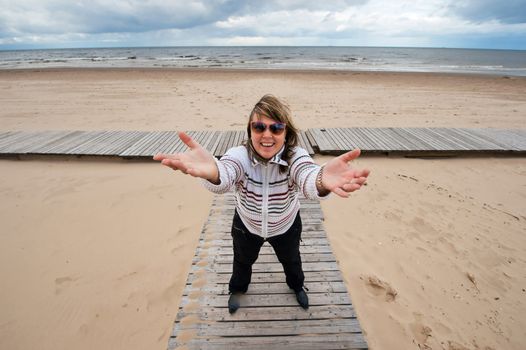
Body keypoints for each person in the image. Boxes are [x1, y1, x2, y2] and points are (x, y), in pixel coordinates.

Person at [153, 94, 370, 314]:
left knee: (292, 261)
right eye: (259, 127)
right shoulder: (239, 155)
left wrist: (322, 180)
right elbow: (226, 173)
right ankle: (237, 290)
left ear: (286, 133)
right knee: (242, 262)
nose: (267, 134)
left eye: (276, 128)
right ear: (250, 131)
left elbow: (307, 176)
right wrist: (214, 173)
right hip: (246, 226)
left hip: (286, 226)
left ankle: (296, 286)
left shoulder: (295, 156)